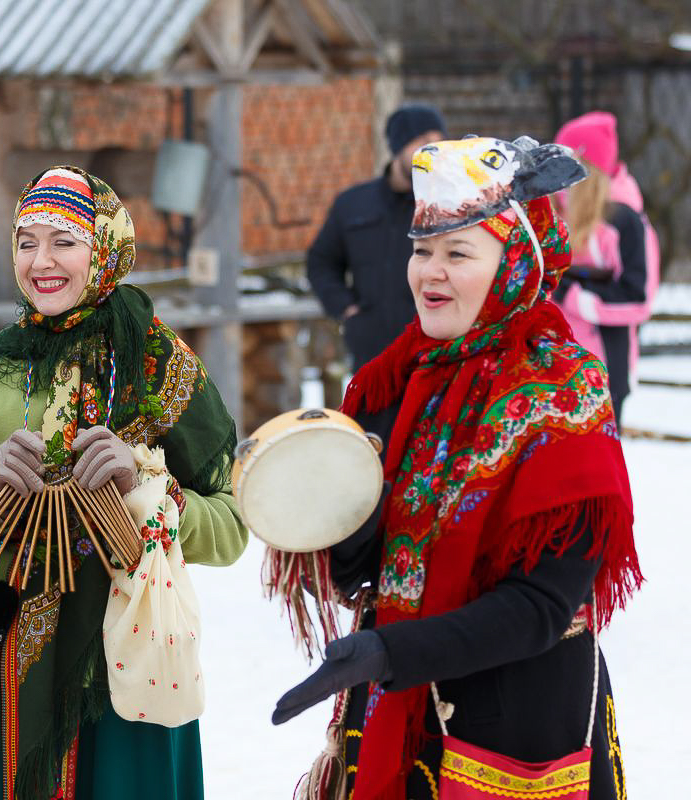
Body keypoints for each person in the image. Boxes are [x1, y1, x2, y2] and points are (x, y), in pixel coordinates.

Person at [270, 137, 641, 799]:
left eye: (457, 252)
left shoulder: (564, 393)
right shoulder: (402, 378)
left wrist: (391, 652)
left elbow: (540, 606)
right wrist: (340, 519)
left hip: (516, 727)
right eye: (421, 249)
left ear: (514, 266)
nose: (429, 273)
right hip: (397, 714)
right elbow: (369, 568)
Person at [0, 167, 247, 800]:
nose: (42, 261)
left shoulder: (161, 367)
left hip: (129, 663)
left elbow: (229, 529)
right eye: (26, 242)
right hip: (5, 668)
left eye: (64, 241)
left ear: (106, 248)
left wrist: (147, 489)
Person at [307, 104, 447, 369]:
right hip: (372, 353)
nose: (432, 153)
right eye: (423, 142)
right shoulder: (354, 203)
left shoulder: (446, 204)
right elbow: (321, 261)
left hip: (432, 352)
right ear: (399, 146)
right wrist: (345, 308)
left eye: (438, 143)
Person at [553, 110, 657, 422]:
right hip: (555, 362)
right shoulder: (557, 211)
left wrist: (573, 297)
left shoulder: (622, 221)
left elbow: (638, 299)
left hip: (601, 369)